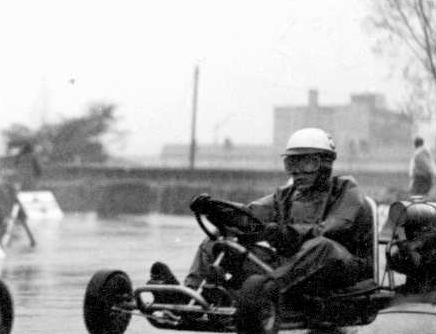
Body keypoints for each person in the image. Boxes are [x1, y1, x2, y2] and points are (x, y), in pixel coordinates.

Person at [150, 128, 374, 300]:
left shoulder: (345, 189)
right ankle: (188, 295)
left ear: (326, 163)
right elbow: (249, 215)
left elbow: (335, 227)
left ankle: (255, 294)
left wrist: (284, 233)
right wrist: (216, 209)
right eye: (291, 162)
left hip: (342, 269)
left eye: (307, 162)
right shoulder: (285, 196)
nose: (297, 170)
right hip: (291, 268)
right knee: (217, 240)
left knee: (322, 245)